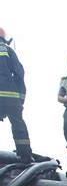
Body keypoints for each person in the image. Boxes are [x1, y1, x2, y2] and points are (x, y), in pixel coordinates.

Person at [0, 28, 34, 162]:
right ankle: (25, 155)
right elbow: (19, 73)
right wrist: (20, 99)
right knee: (18, 124)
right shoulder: (9, 51)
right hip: (11, 97)